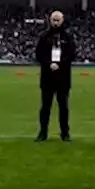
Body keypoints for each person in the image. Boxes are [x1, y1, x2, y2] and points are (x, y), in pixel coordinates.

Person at [35, 10, 76, 142]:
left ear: (63, 20)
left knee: (63, 107)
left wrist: (60, 64)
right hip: (47, 76)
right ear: (50, 20)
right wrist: (49, 64)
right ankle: (43, 132)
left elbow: (71, 54)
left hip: (63, 77)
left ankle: (65, 133)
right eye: (54, 20)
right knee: (45, 107)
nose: (56, 22)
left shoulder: (68, 37)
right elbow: (38, 54)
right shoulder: (44, 36)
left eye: (58, 20)